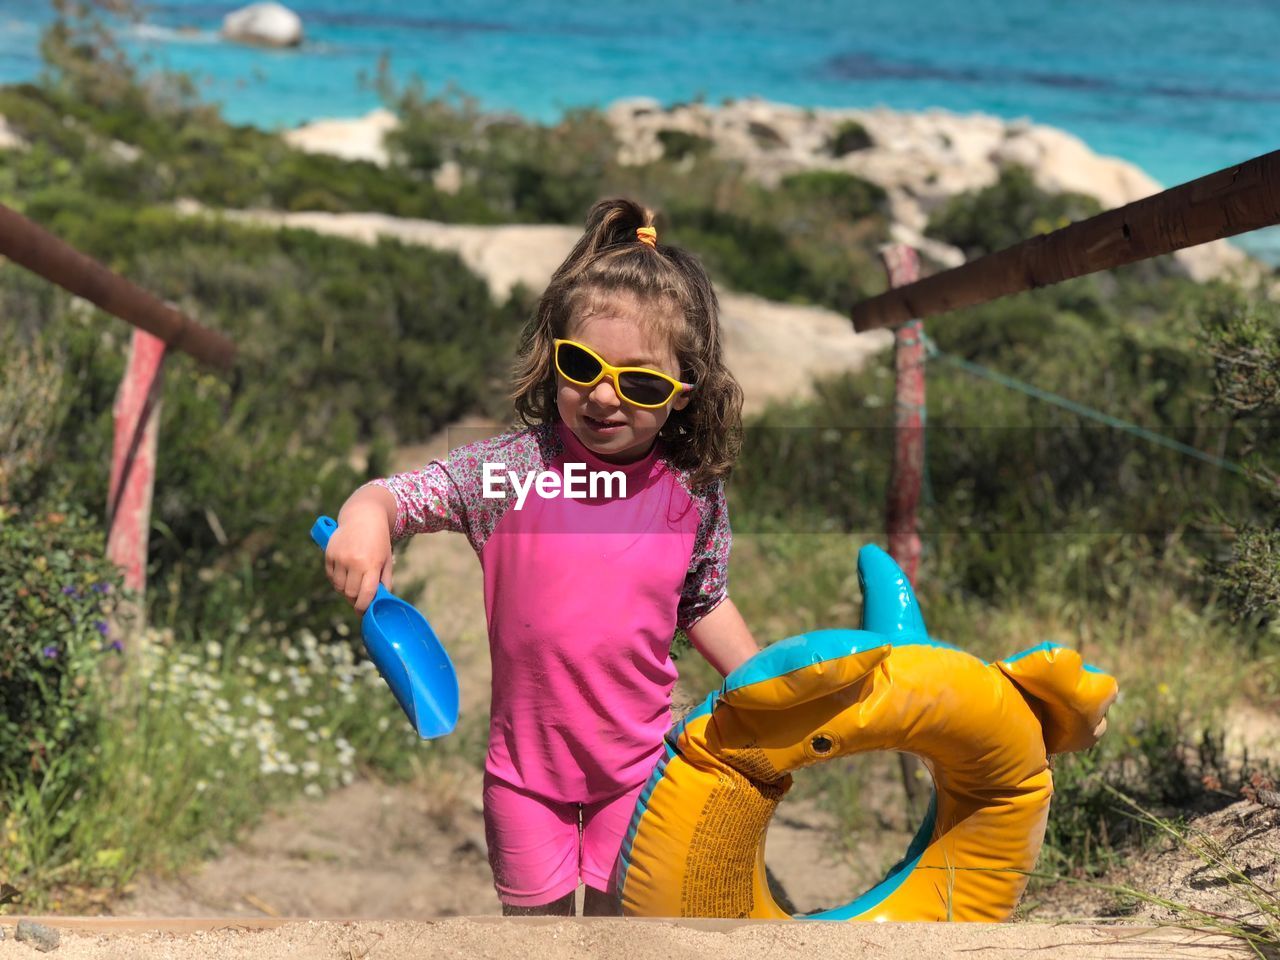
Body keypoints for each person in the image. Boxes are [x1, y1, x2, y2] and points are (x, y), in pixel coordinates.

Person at [323, 197, 760, 916]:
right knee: (537, 941)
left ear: (683, 394)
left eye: (642, 382)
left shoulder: (692, 494)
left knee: (624, 937)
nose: (603, 396)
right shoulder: (510, 472)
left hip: (641, 770)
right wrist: (366, 518)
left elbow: (703, 599)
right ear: (553, 356)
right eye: (581, 365)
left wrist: (761, 684)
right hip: (524, 776)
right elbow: (399, 494)